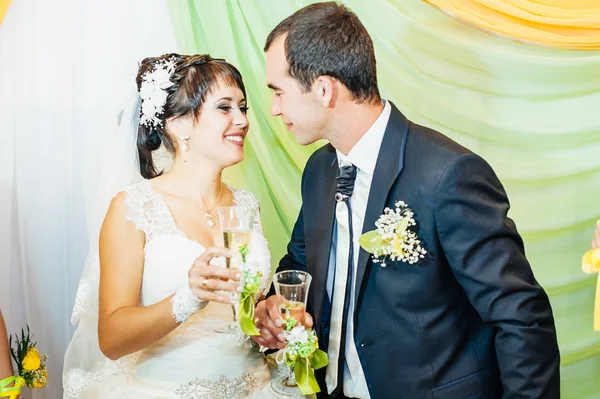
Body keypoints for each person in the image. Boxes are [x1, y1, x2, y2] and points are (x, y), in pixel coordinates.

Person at [253, 2, 561, 398]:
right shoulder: (319, 171)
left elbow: (521, 318)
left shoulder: (448, 174)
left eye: (279, 92)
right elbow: (300, 264)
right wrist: (275, 307)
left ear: (324, 89)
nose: (274, 109)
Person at [63, 54, 283, 398]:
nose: (241, 120)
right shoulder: (132, 208)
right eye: (224, 108)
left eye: (243, 108)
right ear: (178, 125)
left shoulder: (246, 205)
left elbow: (238, 313)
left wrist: (266, 320)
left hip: (257, 386)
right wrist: (187, 298)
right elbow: (111, 338)